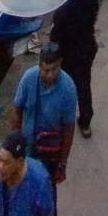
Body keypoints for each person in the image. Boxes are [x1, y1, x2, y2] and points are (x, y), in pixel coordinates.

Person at [10, 44, 77, 200]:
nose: (50, 75)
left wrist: (62, 163)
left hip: (50, 153)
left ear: (60, 63)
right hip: (27, 148)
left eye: (54, 69)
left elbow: (69, 129)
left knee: (46, 195)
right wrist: (16, 143)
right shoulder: (28, 78)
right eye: (46, 70)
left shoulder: (68, 89)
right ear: (39, 65)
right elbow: (17, 109)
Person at [50, 0, 99, 139]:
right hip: (87, 48)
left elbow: (56, 36)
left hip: (68, 53)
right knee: (84, 84)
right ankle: (85, 122)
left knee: (63, 86)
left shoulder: (62, 8)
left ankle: (61, 121)